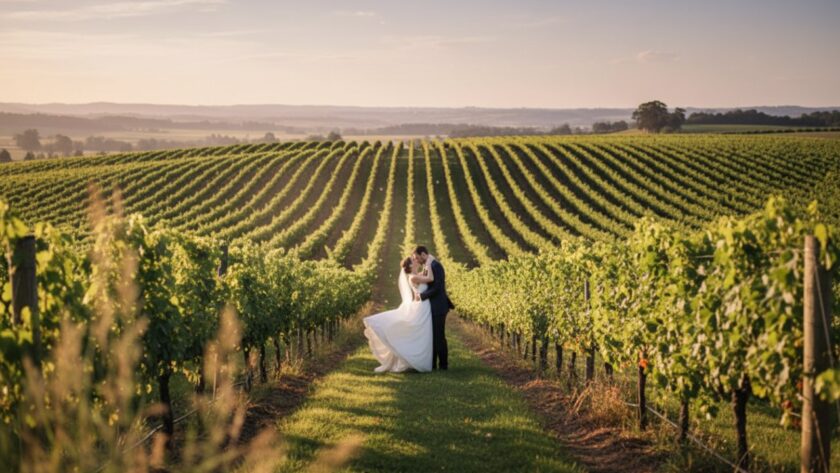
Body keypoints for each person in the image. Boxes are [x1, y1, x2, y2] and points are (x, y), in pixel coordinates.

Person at [362, 256, 433, 372]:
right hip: (421, 307)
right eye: (414, 260)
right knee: (417, 332)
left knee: (420, 333)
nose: (416, 261)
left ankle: (416, 360)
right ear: (410, 265)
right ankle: (414, 360)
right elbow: (429, 278)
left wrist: (426, 265)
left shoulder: (417, 275)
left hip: (423, 307)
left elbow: (424, 275)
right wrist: (428, 263)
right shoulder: (413, 277)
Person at [412, 246, 454, 370]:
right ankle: (432, 364)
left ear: (423, 254)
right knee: (432, 336)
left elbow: (437, 287)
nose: (417, 260)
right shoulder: (428, 266)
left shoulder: (436, 266)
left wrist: (422, 296)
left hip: (439, 306)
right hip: (432, 307)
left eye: (417, 257)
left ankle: (443, 365)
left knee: (439, 336)